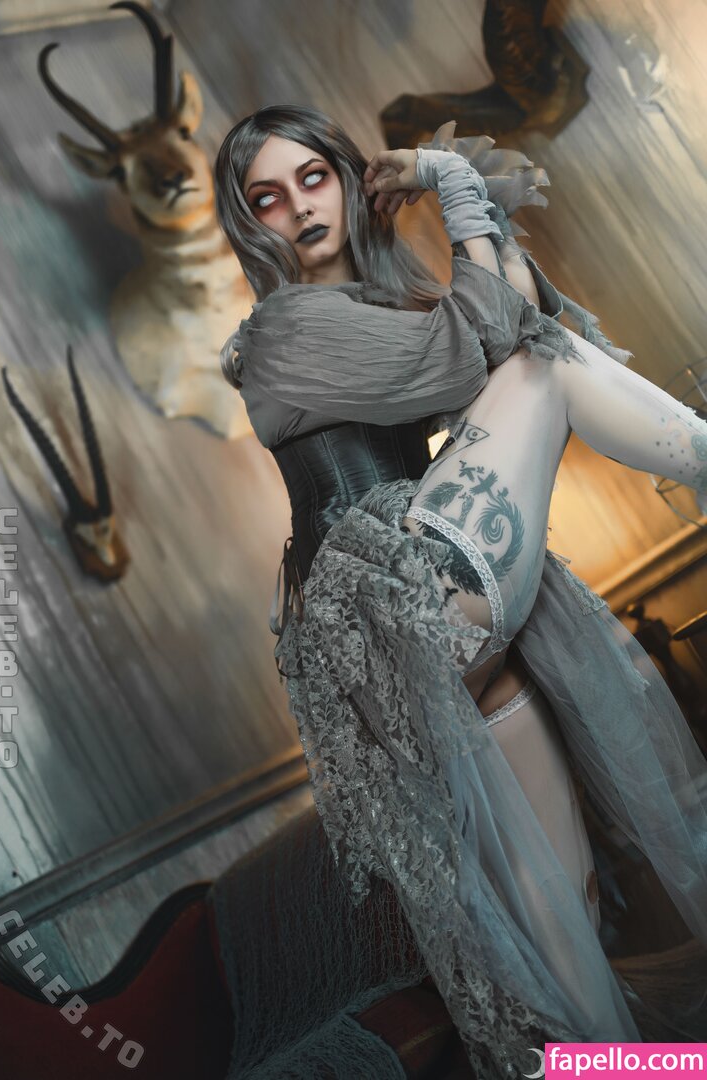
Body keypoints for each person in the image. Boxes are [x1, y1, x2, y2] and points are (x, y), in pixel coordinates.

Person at [214, 104, 707, 1078]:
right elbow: (501, 352)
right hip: (399, 608)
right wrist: (452, 183)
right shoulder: (282, 333)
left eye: (313, 178)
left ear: (348, 178)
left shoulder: (378, 309)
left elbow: (518, 316)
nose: (298, 208)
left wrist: (466, 215)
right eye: (267, 199)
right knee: (546, 374)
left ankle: (626, 1071)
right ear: (249, 226)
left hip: (444, 635)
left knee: (565, 909)